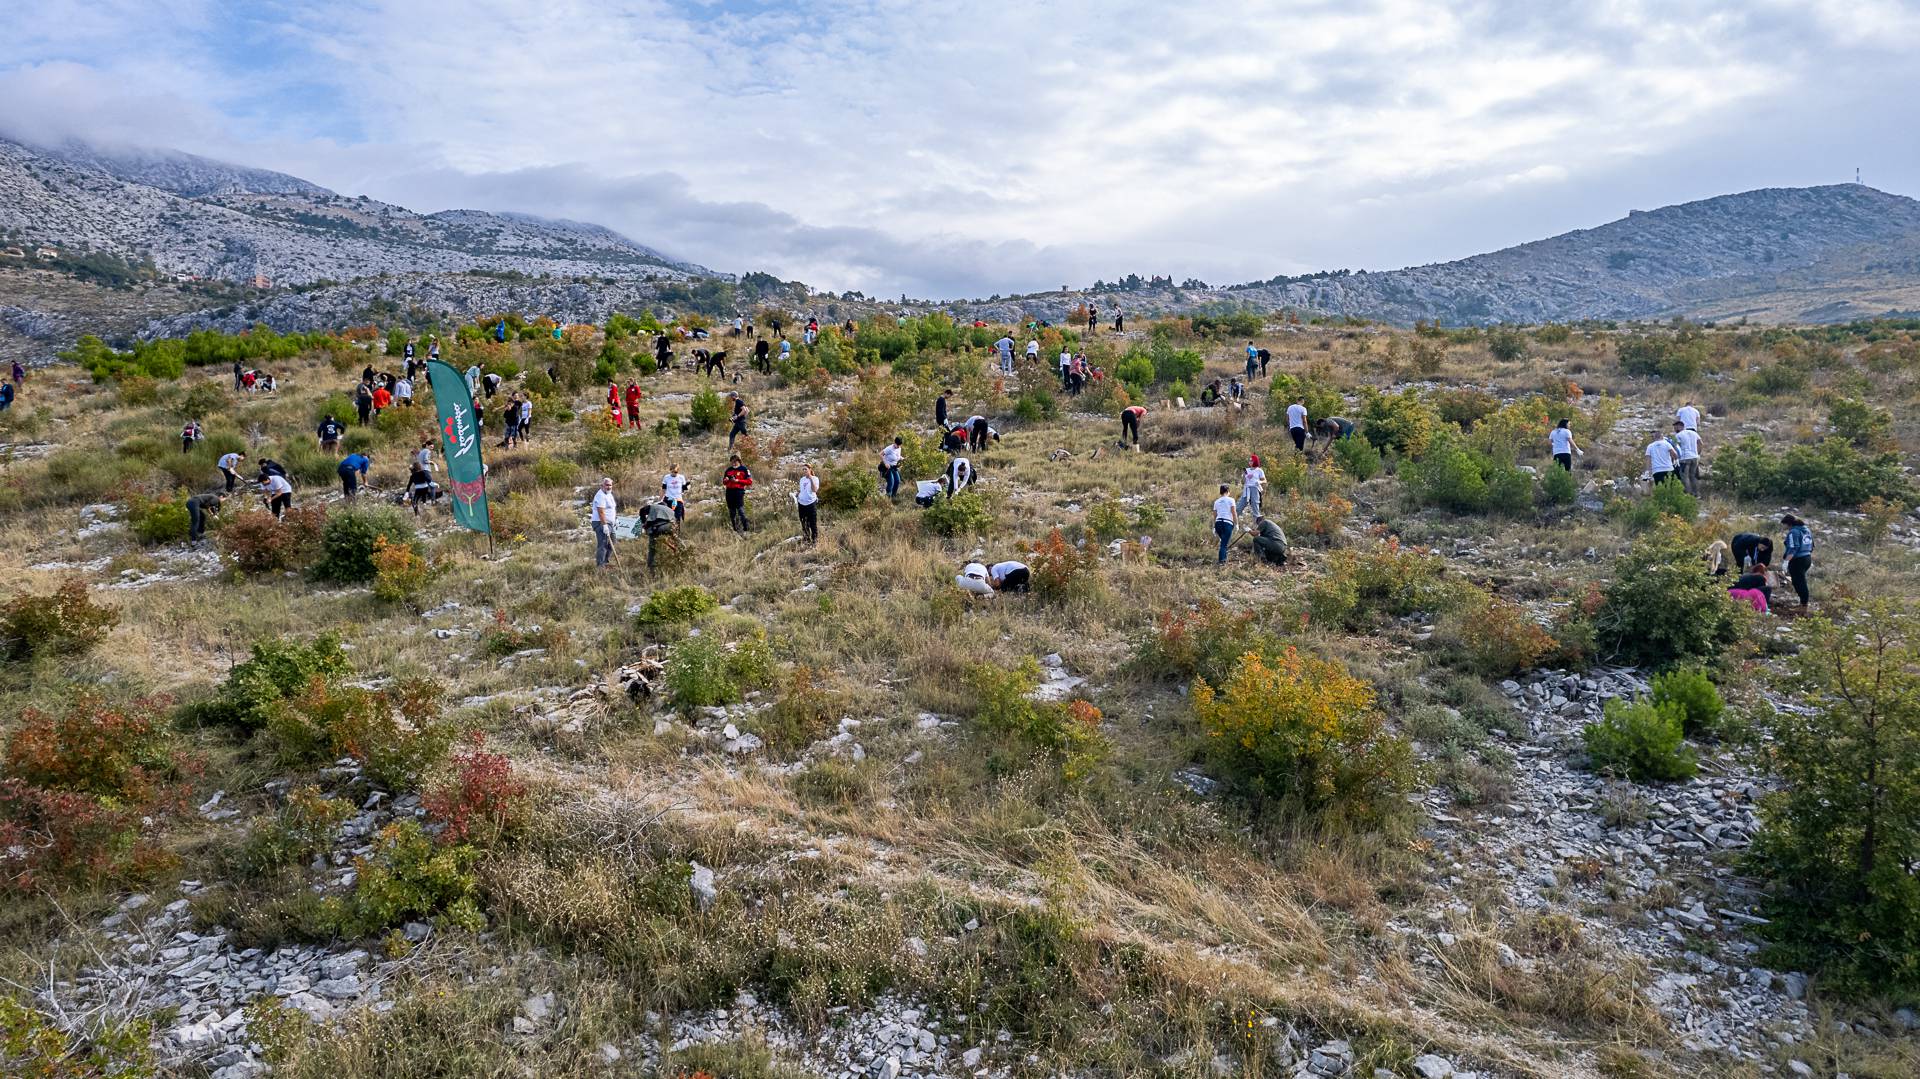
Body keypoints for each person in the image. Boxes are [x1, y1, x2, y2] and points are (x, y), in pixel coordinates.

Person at [1782, 514, 1813, 609]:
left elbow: (1793, 547)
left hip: (1797, 560)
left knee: (1799, 582)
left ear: (1788, 524)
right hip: (1807, 558)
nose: (1783, 527)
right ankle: (1803, 603)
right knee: (1798, 581)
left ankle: (1803, 605)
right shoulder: (1806, 530)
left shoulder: (1793, 532)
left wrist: (1786, 561)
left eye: (1784, 524)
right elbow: (1811, 544)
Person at [640, 498, 677, 571]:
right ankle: (682, 548)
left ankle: (651, 569)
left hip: (656, 528)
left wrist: (644, 522)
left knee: (652, 549)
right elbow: (675, 524)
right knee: (677, 540)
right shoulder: (671, 511)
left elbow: (642, 510)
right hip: (669, 527)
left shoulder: (653, 507)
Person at [591, 477, 618, 568]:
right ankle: (600, 566)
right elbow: (601, 511)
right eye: (607, 485)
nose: (609, 487)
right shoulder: (600, 495)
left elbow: (612, 509)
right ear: (602, 485)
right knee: (602, 544)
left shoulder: (609, 494)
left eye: (610, 485)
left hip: (609, 523)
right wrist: (604, 525)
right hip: (600, 522)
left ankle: (605, 562)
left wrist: (615, 519)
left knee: (612, 542)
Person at [723, 454, 754, 532]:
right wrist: (726, 479)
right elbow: (724, 482)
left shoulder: (744, 469)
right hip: (729, 492)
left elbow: (749, 481)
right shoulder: (728, 470)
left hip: (738, 491)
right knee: (732, 512)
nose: (733, 463)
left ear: (738, 461)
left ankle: (746, 528)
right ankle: (735, 529)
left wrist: (738, 481)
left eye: (734, 462)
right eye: (732, 462)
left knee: (740, 510)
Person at [1671, 420, 1701, 494]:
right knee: (1693, 476)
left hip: (1684, 458)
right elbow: (1700, 443)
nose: (1674, 429)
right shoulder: (1694, 433)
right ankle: (1696, 493)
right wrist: (1698, 453)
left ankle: (1688, 494)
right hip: (1695, 457)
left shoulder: (1678, 435)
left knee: (1685, 477)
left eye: (1675, 427)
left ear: (1679, 426)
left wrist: (1674, 458)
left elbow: (1675, 447)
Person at [1212, 484, 1238, 565]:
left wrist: (1214, 526)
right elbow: (1234, 513)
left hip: (1218, 523)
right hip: (1227, 523)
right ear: (1228, 491)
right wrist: (1236, 524)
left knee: (1223, 542)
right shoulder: (1231, 500)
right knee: (1224, 544)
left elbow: (1215, 515)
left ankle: (1223, 559)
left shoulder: (1216, 501)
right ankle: (1221, 562)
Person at [796, 463, 820, 544]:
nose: (804, 471)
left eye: (806, 469)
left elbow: (814, 490)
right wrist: (798, 494)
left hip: (810, 504)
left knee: (812, 522)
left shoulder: (815, 478)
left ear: (810, 469)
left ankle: (815, 540)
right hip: (801, 504)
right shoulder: (802, 479)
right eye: (803, 469)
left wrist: (810, 479)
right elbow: (803, 490)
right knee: (804, 522)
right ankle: (806, 538)